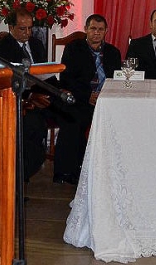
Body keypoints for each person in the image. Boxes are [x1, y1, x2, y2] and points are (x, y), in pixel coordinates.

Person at [57, 14, 121, 184]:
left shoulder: (113, 52)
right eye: (93, 28)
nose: (96, 33)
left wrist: (105, 96)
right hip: (82, 99)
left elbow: (118, 79)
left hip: (107, 100)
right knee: (73, 120)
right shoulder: (73, 48)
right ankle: (69, 171)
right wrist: (87, 96)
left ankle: (112, 169)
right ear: (86, 29)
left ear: (106, 31)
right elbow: (67, 79)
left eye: (100, 29)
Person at [0, 8, 54, 181]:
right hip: (21, 99)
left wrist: (59, 90)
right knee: (33, 126)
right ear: (11, 27)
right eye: (22, 29)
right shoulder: (4, 48)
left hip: (42, 92)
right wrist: (29, 97)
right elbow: (7, 82)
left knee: (73, 111)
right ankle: (20, 178)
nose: (27, 33)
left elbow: (45, 72)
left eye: (30, 28)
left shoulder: (36, 44)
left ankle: (66, 172)